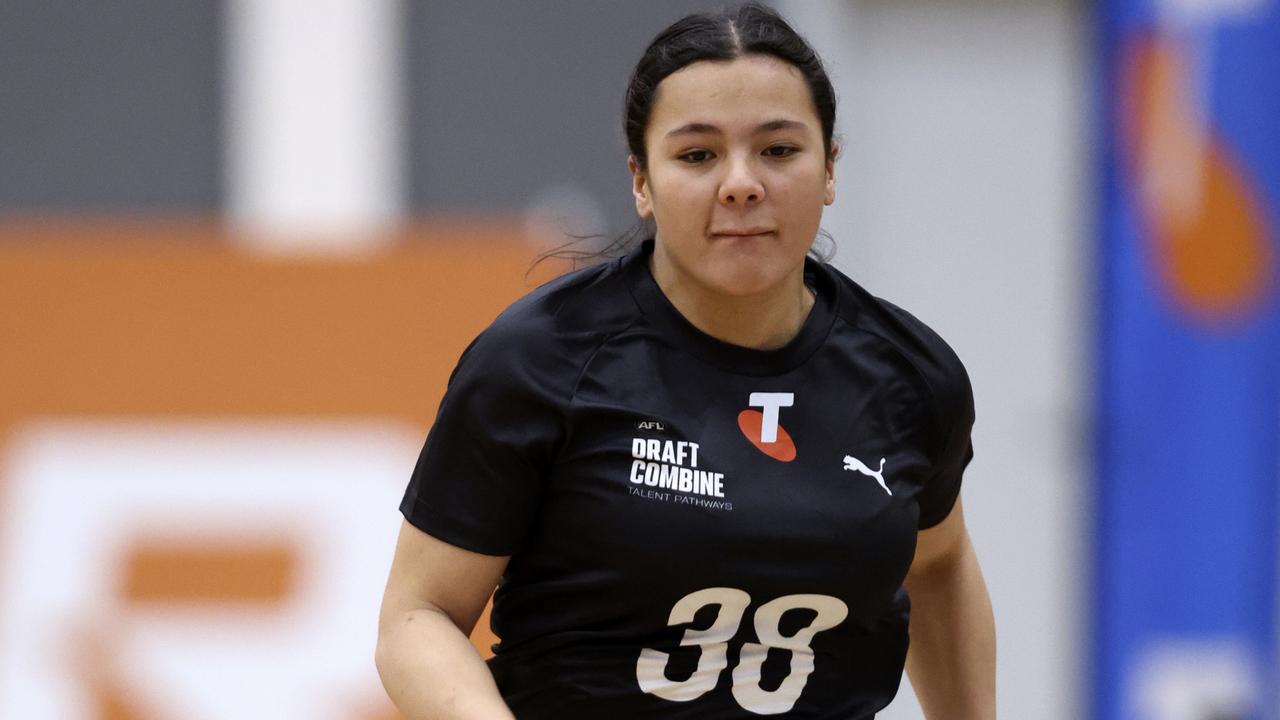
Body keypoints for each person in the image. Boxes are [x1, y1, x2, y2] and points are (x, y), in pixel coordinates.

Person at [375, 4, 996, 718]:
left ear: (829, 168)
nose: (741, 184)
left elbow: (940, 562)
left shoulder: (911, 376)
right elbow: (416, 617)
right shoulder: (540, 359)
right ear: (642, 181)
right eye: (698, 155)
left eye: (779, 150)